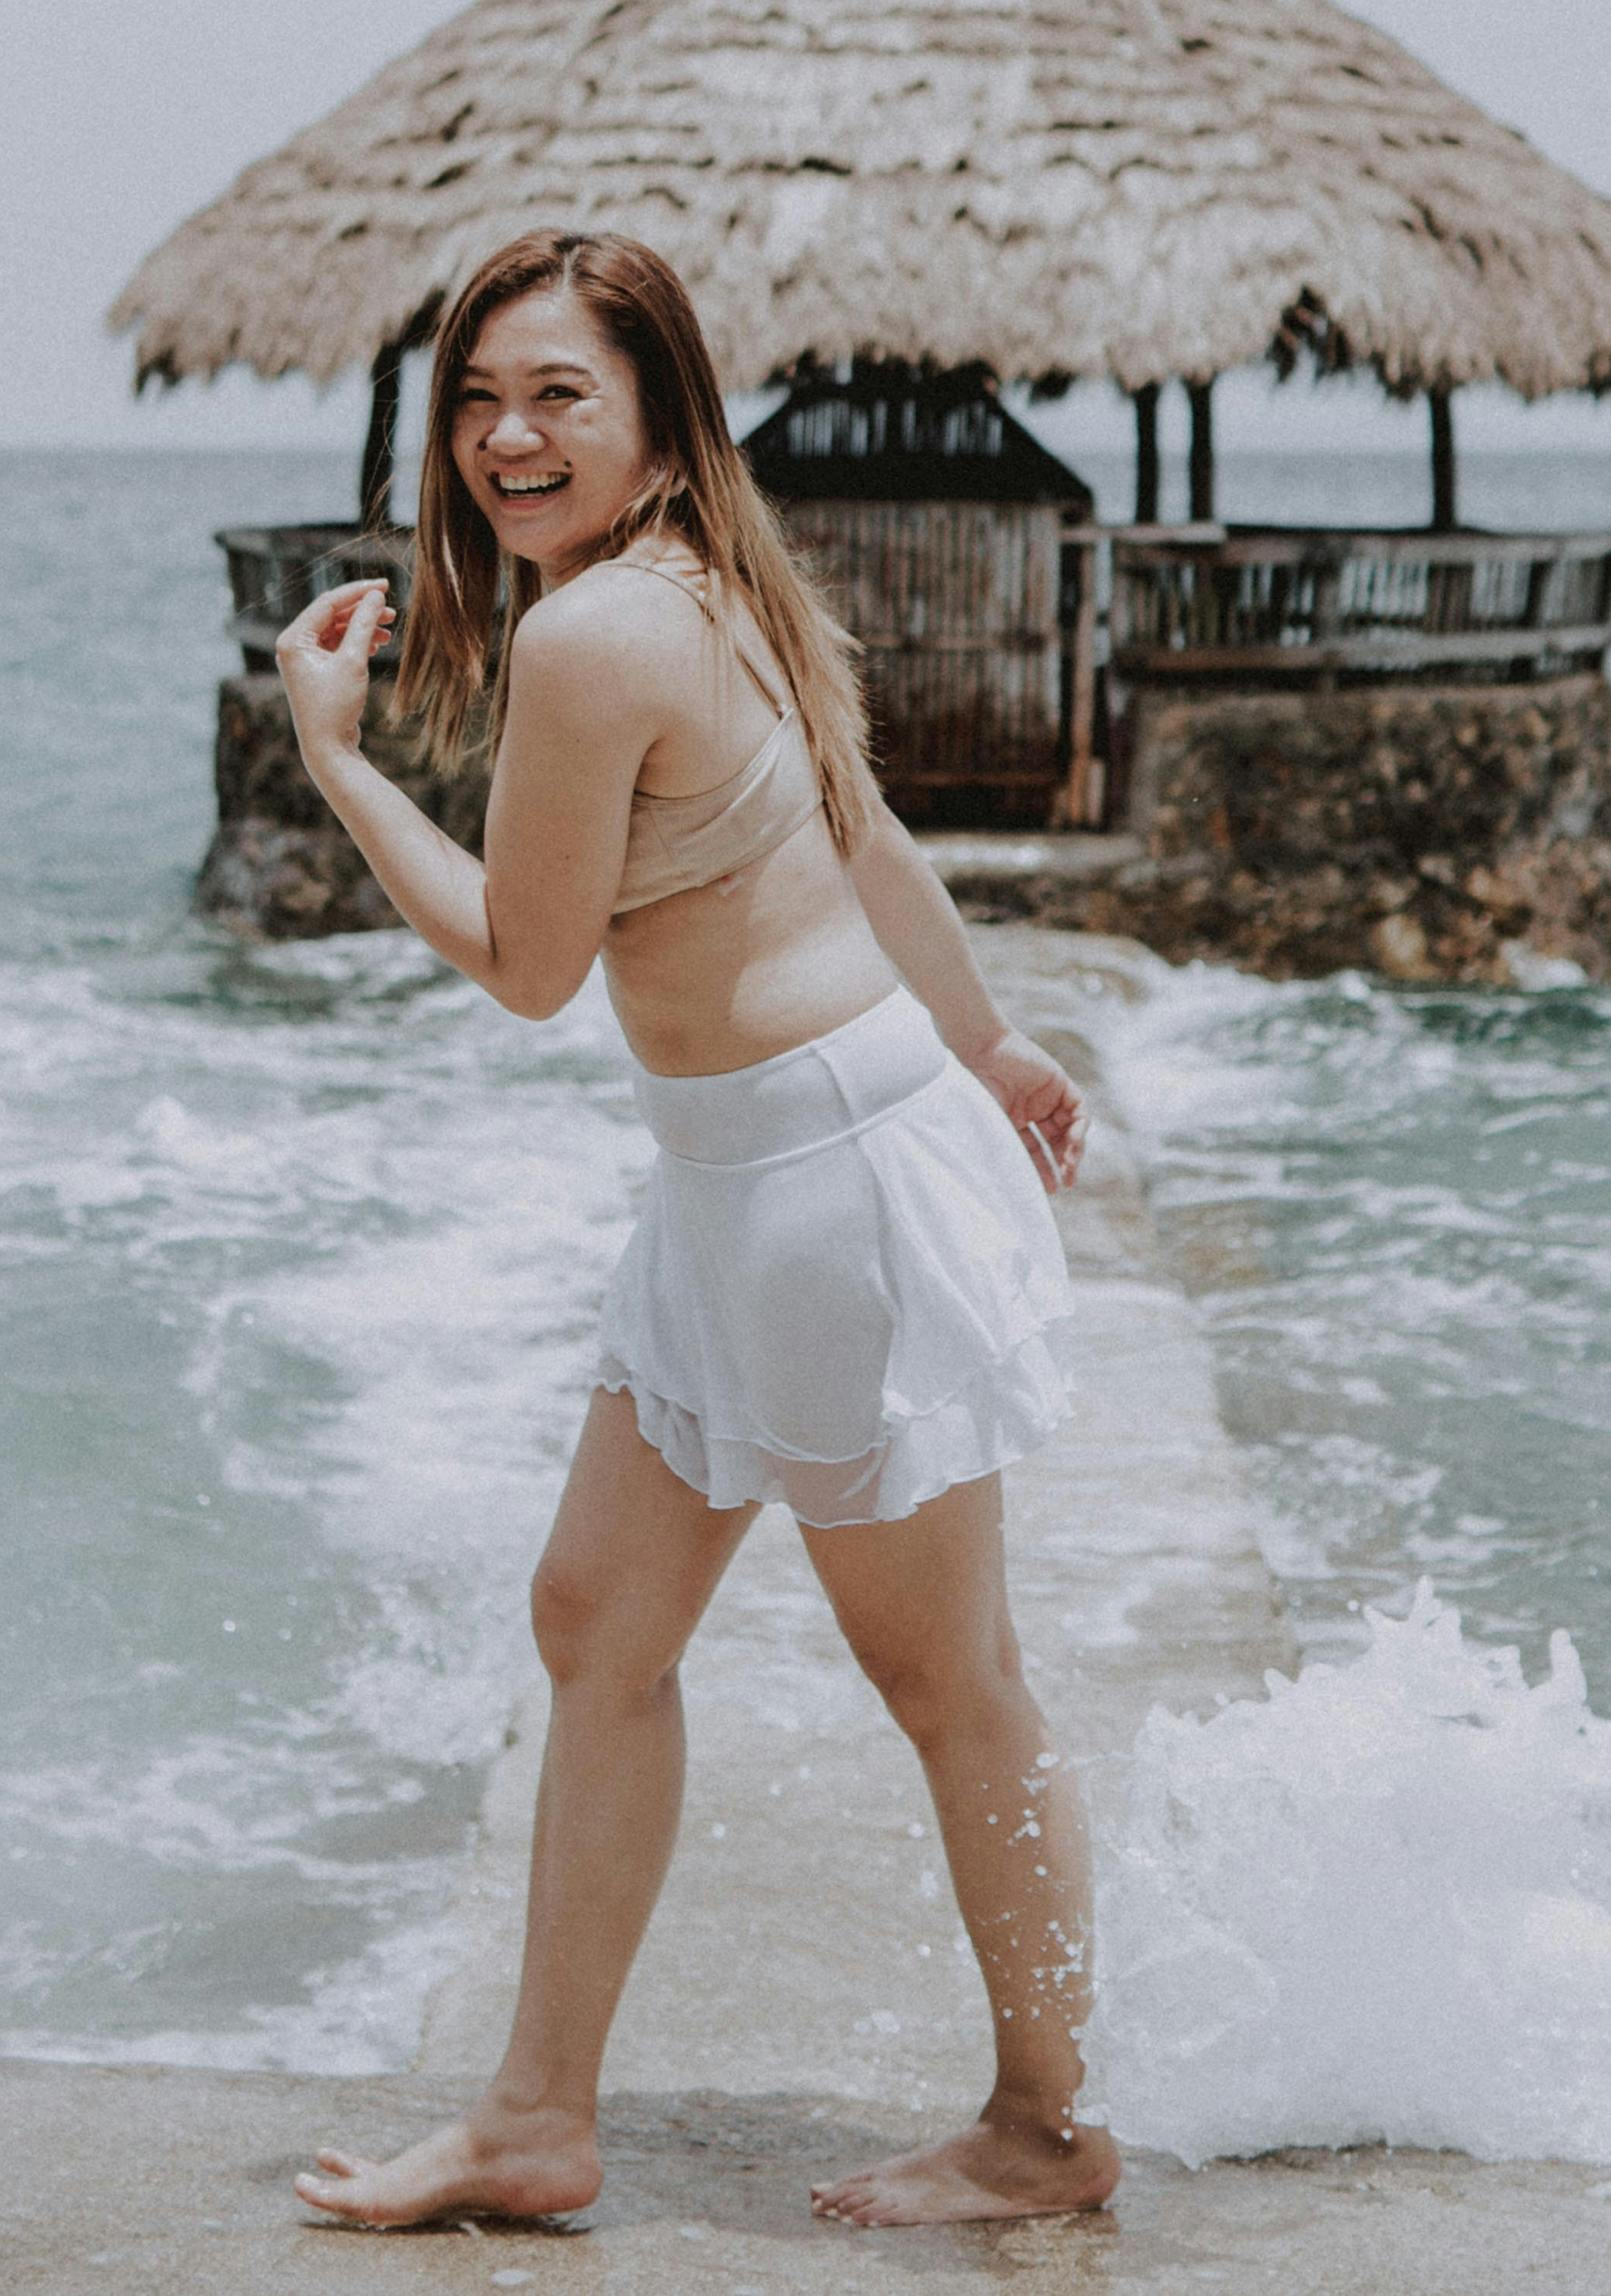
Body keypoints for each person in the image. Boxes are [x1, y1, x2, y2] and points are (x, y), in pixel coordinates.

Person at [271, 228, 1115, 2237]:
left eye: (561, 391)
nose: (507, 432)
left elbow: (525, 958)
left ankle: (1047, 2122)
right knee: (599, 1616)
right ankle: (536, 2118)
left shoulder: (594, 636)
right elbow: (859, 824)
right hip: (745, 1176)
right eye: (478, 394)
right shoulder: (705, 579)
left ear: (659, 425)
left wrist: (332, 757)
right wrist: (984, 1035)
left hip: (823, 1185)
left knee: (952, 1679)